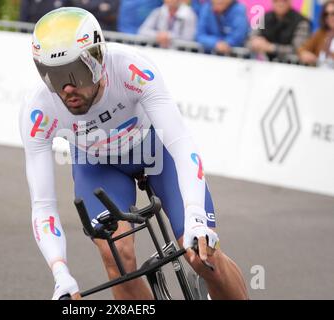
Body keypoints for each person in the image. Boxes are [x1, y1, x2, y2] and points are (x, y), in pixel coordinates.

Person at [20, 7, 249, 300]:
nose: (66, 88)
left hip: (155, 150)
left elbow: (181, 145)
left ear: (98, 59)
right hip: (98, 165)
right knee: (117, 259)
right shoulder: (38, 109)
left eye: (75, 72)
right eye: (52, 75)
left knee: (203, 255)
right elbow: (42, 205)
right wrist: (60, 272)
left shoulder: (130, 68)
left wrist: (195, 217)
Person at [298, 0, 334, 67]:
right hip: (320, 74)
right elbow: (303, 49)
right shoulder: (321, 33)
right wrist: (304, 54)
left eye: (333, 13)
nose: (329, 17)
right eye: (326, 14)